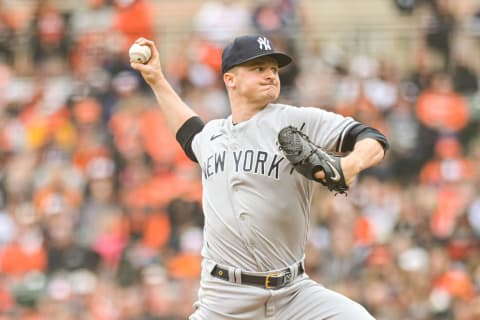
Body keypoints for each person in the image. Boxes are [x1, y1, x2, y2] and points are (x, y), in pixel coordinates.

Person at [131, 34, 389, 320]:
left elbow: (372, 138)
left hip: (293, 294)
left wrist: (348, 167)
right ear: (231, 79)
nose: (270, 76)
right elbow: (188, 132)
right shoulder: (212, 136)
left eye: (274, 70)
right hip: (224, 298)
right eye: (259, 68)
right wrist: (156, 79)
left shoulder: (295, 120)